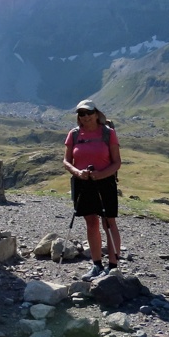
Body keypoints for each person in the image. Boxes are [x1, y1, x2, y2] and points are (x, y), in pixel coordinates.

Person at [63, 99, 122, 280]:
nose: (86, 117)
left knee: (108, 222)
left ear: (96, 114)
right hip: (82, 182)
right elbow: (66, 161)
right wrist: (77, 172)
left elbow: (117, 162)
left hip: (105, 182)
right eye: (82, 114)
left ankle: (112, 267)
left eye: (89, 113)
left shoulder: (108, 133)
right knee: (91, 222)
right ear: (78, 117)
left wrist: (101, 174)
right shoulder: (73, 135)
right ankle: (97, 265)